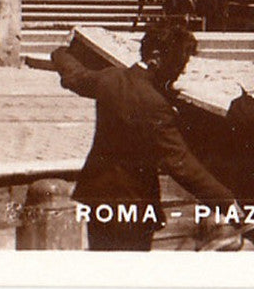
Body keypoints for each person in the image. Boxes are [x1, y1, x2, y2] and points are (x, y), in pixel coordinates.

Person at [47, 22, 241, 250]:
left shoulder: (110, 79)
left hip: (97, 197)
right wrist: (224, 200)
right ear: (156, 58)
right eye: (180, 62)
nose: (183, 70)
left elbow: (74, 76)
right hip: (133, 207)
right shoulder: (155, 104)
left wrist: (61, 51)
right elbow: (179, 162)